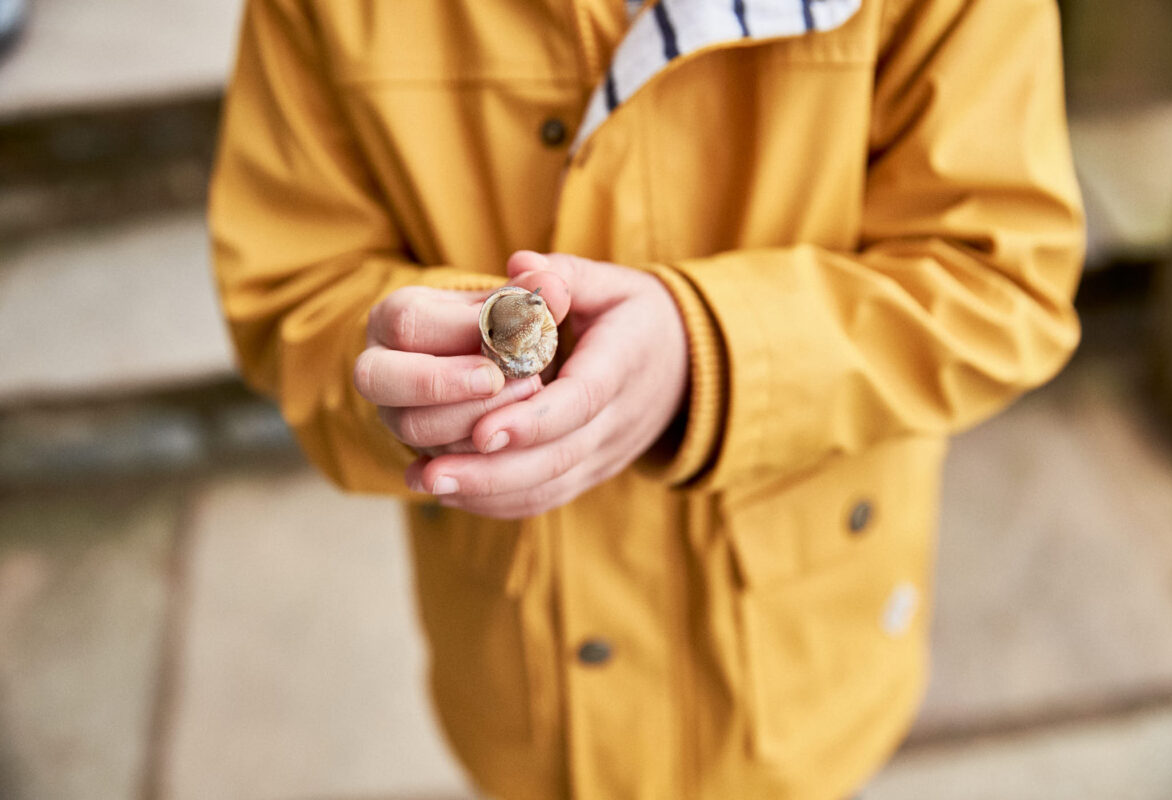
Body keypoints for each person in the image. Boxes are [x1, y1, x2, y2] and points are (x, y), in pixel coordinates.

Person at [209, 0, 1084, 798]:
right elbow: (293, 289)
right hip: (525, 683)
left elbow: (999, 273)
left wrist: (710, 353)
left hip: (800, 661)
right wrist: (407, 370)